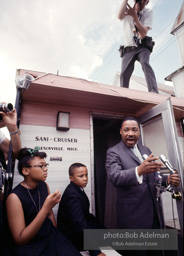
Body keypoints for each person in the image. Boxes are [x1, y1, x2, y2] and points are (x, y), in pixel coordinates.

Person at [106, 117, 180, 256]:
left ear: (139, 132)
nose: (131, 133)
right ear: (121, 132)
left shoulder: (145, 149)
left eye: (134, 130)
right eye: (126, 130)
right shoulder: (114, 152)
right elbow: (115, 177)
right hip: (133, 219)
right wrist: (139, 170)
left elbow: (152, 176)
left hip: (154, 215)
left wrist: (167, 179)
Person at [6, 147, 83, 256]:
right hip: (31, 245)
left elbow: (50, 214)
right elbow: (20, 239)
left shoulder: (43, 186)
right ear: (25, 170)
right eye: (41, 166)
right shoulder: (14, 197)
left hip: (50, 235)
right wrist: (46, 208)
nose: (45, 169)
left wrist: (57, 236)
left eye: (45, 165)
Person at [57, 163, 106, 256]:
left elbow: (86, 216)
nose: (85, 178)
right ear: (71, 178)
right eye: (81, 176)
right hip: (72, 237)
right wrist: (96, 252)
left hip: (78, 231)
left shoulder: (77, 189)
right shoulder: (72, 195)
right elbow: (79, 225)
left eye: (86, 175)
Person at [118, 0, 159, 93]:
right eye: (142, 1)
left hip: (142, 47)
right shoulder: (127, 10)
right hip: (129, 48)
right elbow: (119, 16)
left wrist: (135, 17)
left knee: (145, 63)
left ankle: (154, 92)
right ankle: (123, 95)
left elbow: (144, 33)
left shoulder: (148, 12)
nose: (144, 3)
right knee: (124, 73)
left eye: (146, 1)